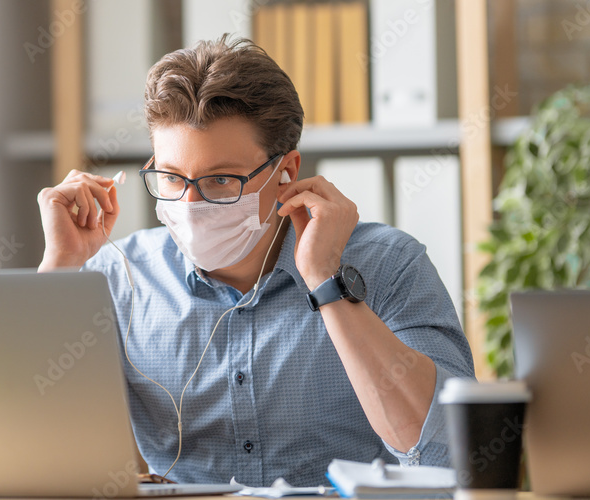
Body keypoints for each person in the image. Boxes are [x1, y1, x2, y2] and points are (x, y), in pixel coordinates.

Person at [37, 36, 474, 487]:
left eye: (221, 179)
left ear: (286, 172)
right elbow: (23, 446)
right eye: (171, 178)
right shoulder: (119, 275)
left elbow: (450, 455)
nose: (190, 203)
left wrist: (326, 282)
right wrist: (60, 269)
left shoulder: (389, 266)